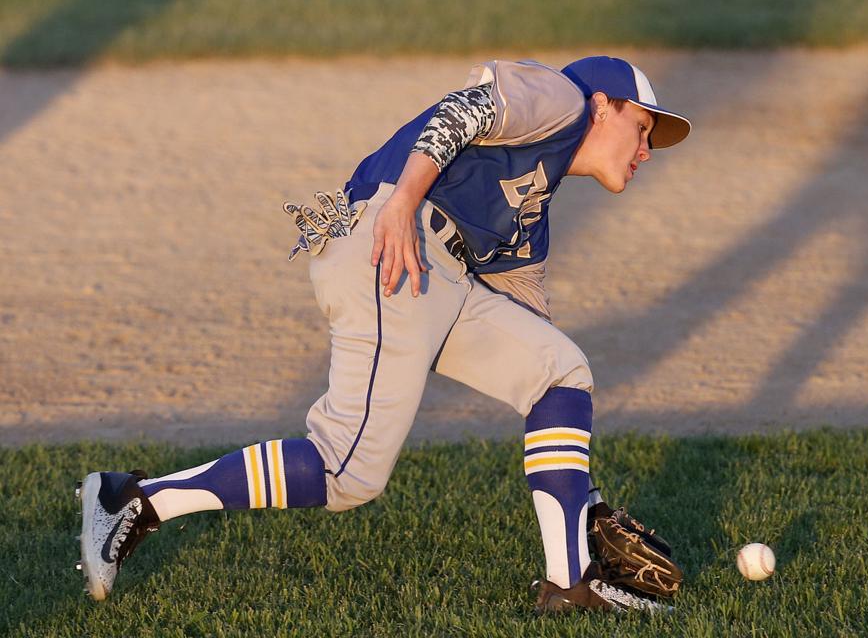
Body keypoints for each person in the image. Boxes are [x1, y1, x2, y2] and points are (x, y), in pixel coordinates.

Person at [76, 56, 691, 612]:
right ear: (602, 105)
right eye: (642, 128)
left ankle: (569, 582)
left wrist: (583, 499)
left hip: (435, 277)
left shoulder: (532, 214)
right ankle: (131, 500)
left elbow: (528, 336)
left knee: (557, 368)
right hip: (392, 244)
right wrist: (401, 201)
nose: (646, 150)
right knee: (346, 471)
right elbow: (464, 110)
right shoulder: (559, 100)